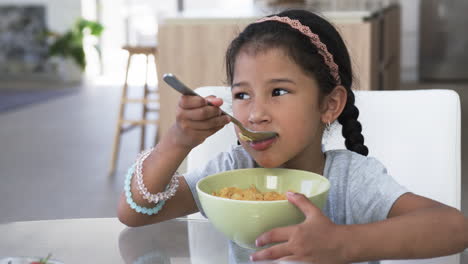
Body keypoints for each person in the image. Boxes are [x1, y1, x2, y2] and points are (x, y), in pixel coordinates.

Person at [118, 9, 468, 264]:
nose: (256, 113)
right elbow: (136, 214)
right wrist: (177, 140)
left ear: (329, 105)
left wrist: (343, 244)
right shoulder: (231, 171)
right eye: (242, 95)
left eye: (279, 92)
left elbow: (454, 228)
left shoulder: (351, 180)